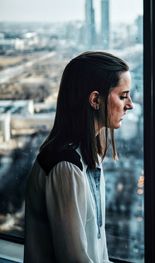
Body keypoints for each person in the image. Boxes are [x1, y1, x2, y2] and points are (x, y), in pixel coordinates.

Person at [24, 51, 134, 263]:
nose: (130, 104)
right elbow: (74, 259)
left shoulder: (89, 156)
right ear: (95, 100)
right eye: (123, 96)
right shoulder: (66, 167)